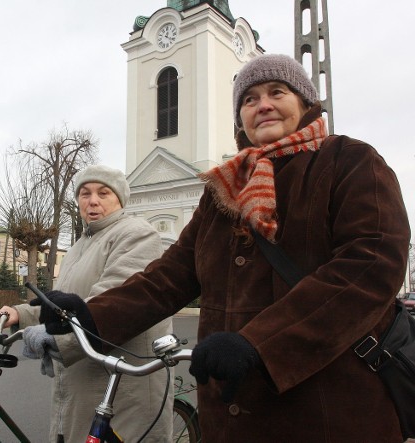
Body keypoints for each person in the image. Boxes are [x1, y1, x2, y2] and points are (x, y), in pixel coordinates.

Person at [36, 54, 411, 442]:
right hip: (232, 416)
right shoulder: (223, 191)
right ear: (240, 119)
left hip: (330, 409)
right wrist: (90, 318)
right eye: (248, 99)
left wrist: (259, 344)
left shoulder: (348, 161)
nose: (262, 104)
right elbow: (168, 277)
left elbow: (370, 264)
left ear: (305, 103)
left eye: (276, 92)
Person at [0, 164, 173, 443]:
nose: (92, 200)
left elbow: (112, 301)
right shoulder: (80, 245)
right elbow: (65, 303)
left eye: (103, 193)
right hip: (80, 380)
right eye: (85, 193)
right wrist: (20, 314)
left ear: (120, 199)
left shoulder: (136, 234)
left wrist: (56, 339)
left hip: (119, 385)